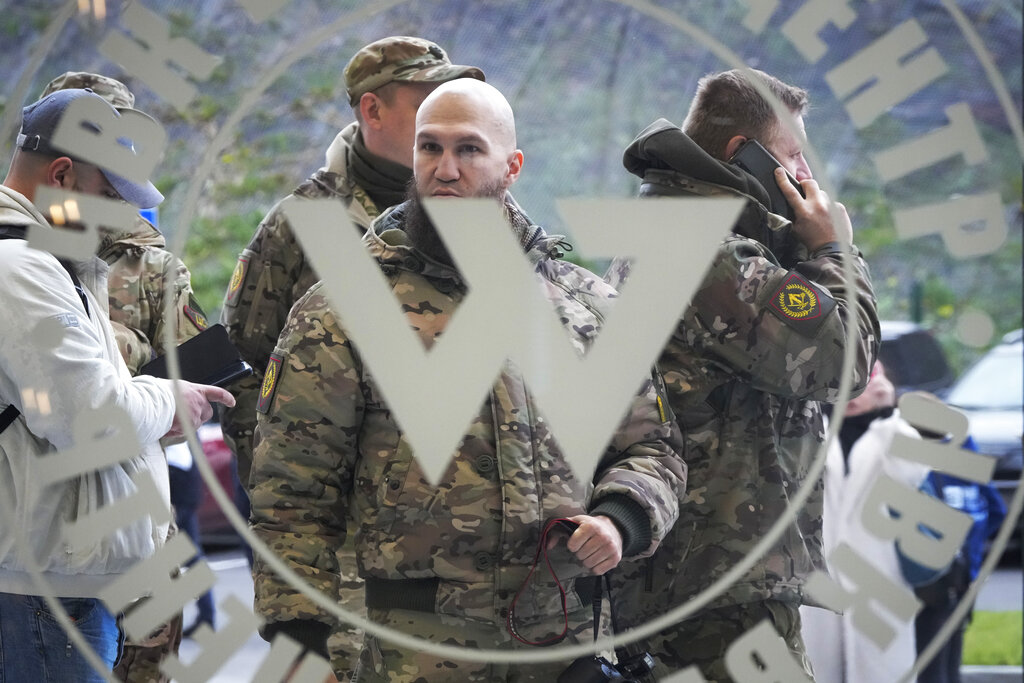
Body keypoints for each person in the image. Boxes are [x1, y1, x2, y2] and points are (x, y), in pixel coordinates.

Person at [248, 78, 686, 682]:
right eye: (429, 148)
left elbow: (651, 447)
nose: (445, 169)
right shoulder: (342, 311)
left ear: (512, 166)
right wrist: (302, 642)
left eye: (469, 150)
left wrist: (621, 517)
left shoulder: (583, 306)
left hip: (560, 644)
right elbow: (290, 499)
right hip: (409, 653)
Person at [220, 40, 483, 677]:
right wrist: (293, 474)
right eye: (424, 101)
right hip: (341, 541)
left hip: (464, 532)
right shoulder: (304, 224)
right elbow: (240, 363)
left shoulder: (479, 211)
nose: (444, 117)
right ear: (373, 109)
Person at [607, 68, 880, 681]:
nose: (805, 177)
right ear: (743, 155)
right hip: (717, 590)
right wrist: (835, 252)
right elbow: (845, 361)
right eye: (792, 157)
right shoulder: (709, 252)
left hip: (696, 580)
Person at [0, 88, 234, 682]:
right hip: (37, 593)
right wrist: (172, 398)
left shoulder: (41, 260)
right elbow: (93, 417)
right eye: (107, 196)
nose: (116, 217)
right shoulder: (22, 268)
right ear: (62, 175)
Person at [800, 361, 928, 682]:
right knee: (816, 665)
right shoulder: (810, 430)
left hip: (879, 574)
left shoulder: (894, 432)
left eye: (865, 382)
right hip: (818, 574)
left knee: (881, 668)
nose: (853, 394)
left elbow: (911, 476)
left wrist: (888, 416)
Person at [914, 435, 1006, 683]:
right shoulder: (969, 457)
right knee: (951, 653)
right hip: (964, 573)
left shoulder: (922, 464)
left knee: (928, 660)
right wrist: (972, 548)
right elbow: (997, 510)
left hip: (930, 579)